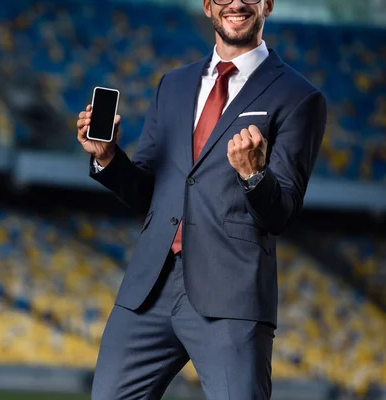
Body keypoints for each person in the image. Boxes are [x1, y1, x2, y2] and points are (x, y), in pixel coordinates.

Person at [76, 0, 327, 399]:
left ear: (268, 4)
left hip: (231, 295)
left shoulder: (298, 97)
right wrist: (107, 157)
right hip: (148, 291)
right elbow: (147, 192)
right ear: (209, 6)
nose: (237, 4)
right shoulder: (172, 85)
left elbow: (282, 212)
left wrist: (253, 174)